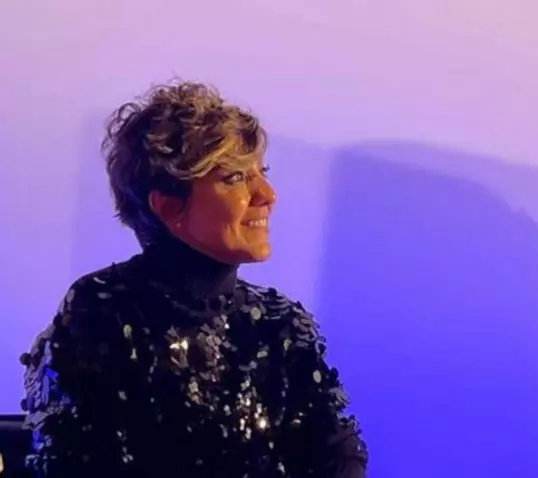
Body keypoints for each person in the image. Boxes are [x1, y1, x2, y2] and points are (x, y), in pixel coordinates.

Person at [19, 81, 368, 477]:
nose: (267, 194)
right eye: (235, 178)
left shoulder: (281, 323)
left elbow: (338, 453)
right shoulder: (102, 310)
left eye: (261, 172)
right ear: (169, 207)